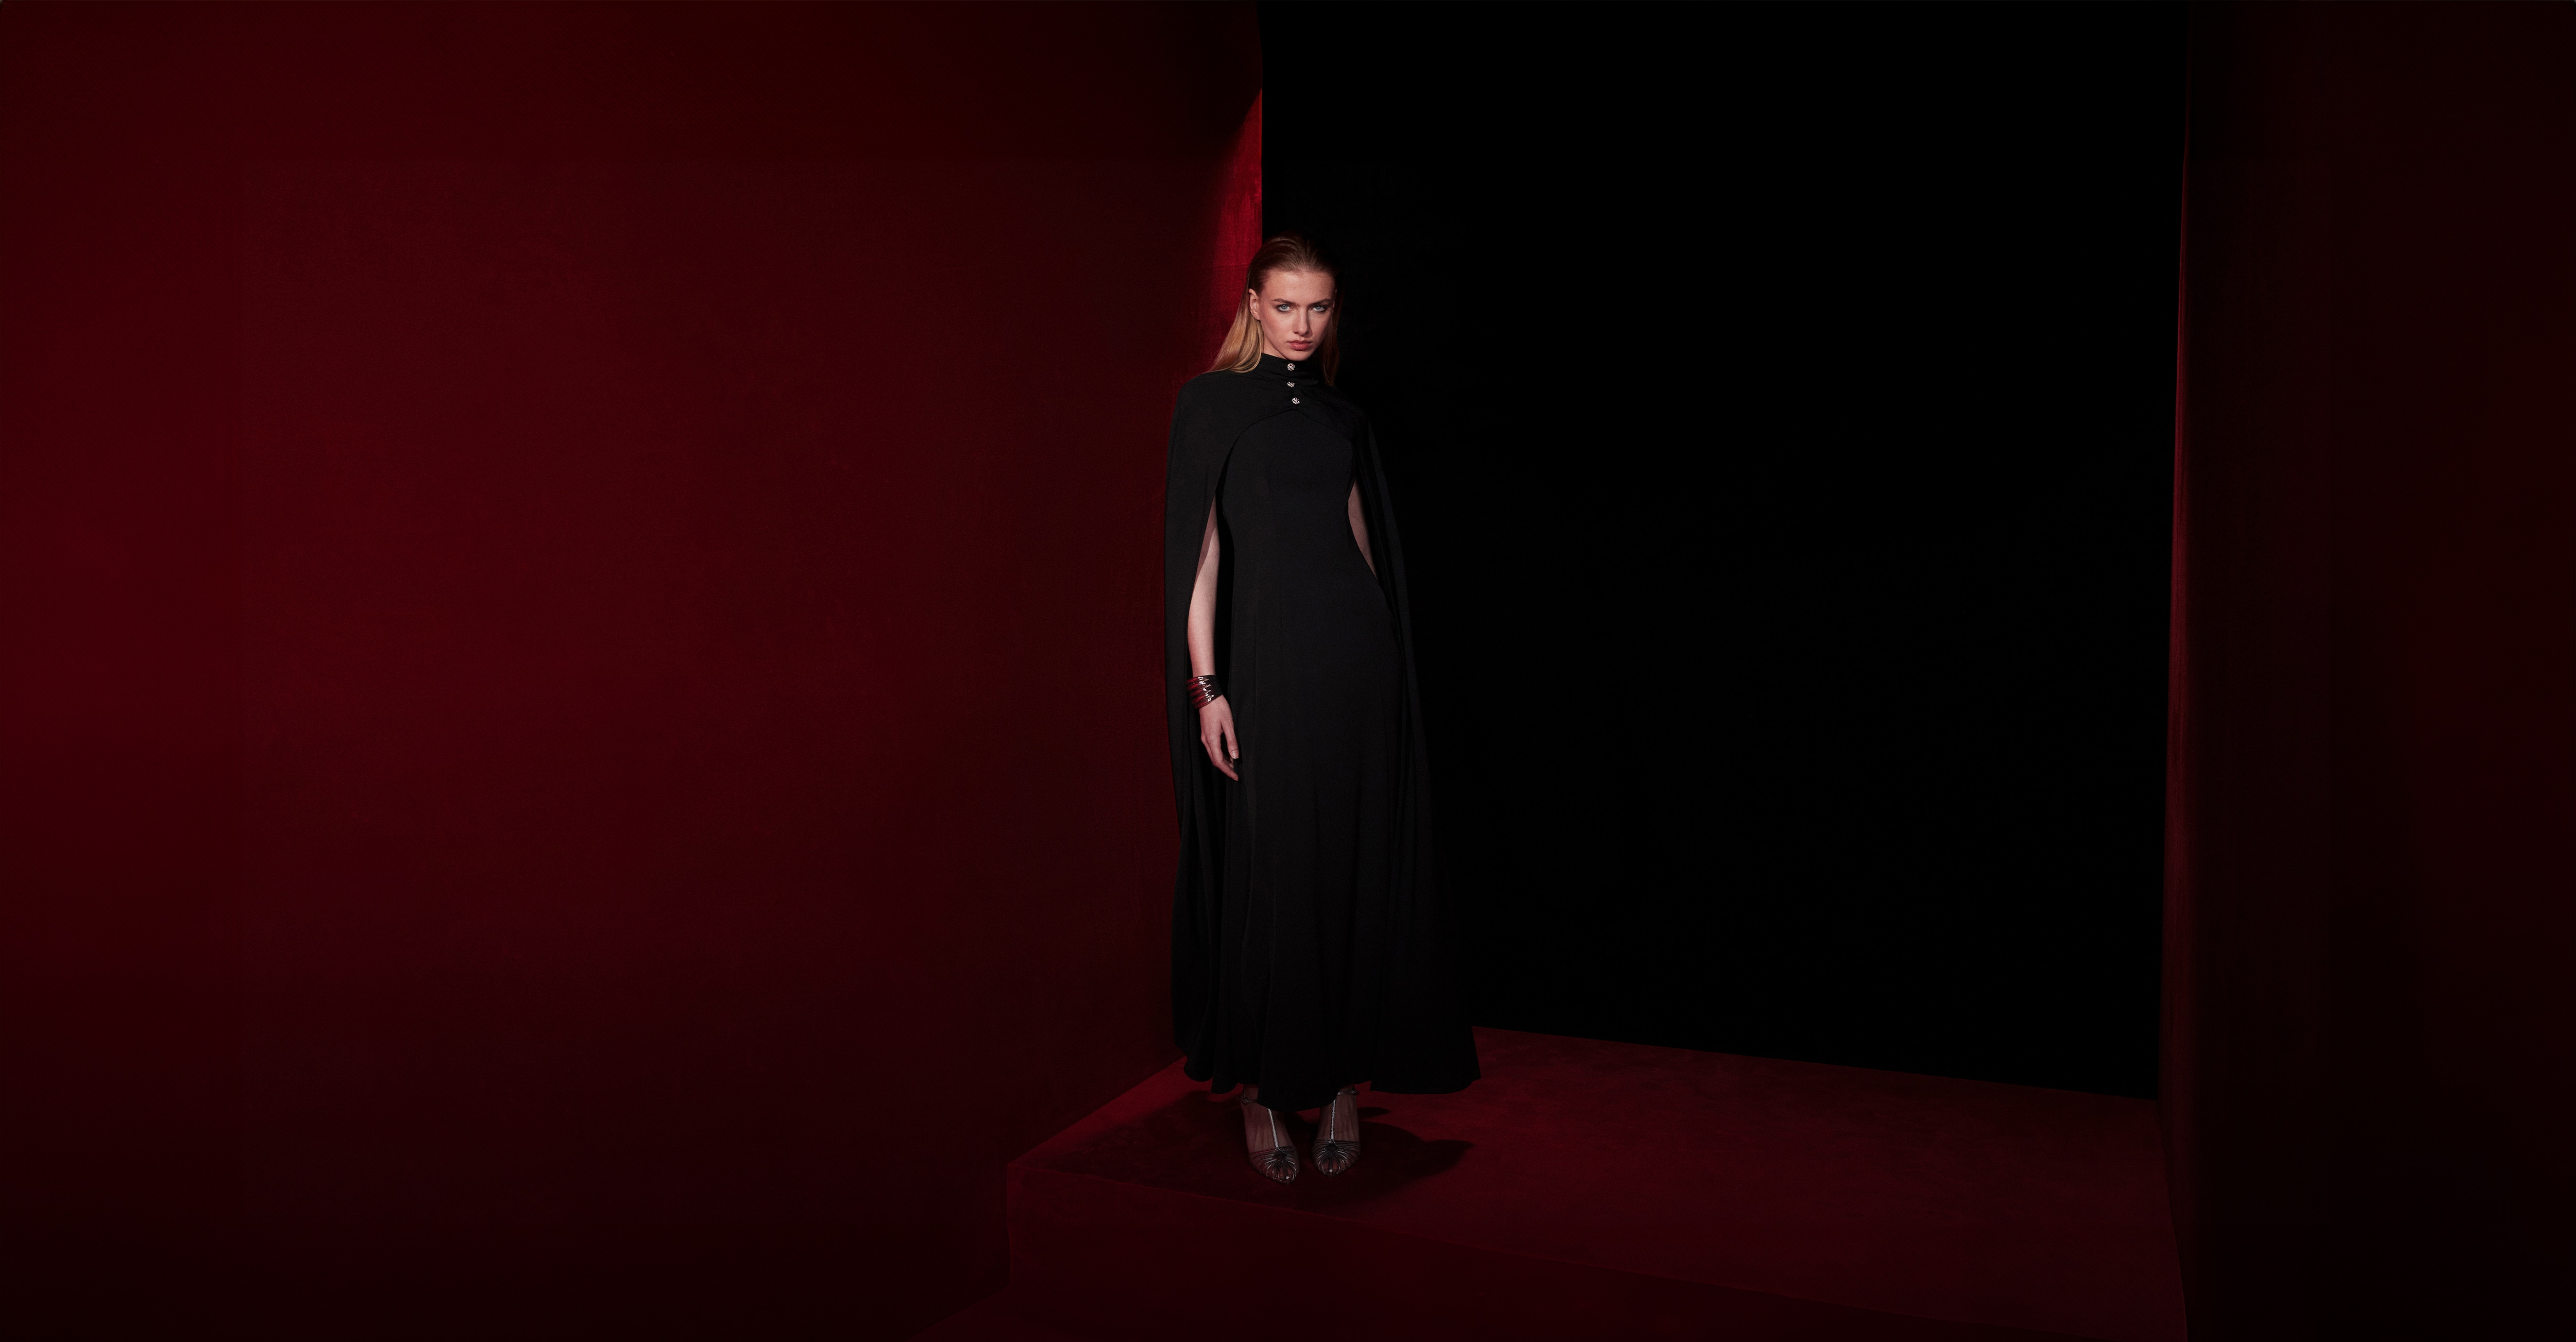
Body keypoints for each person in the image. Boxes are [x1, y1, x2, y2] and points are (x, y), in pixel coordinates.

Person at [1160, 234, 1478, 1185]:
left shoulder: (1344, 415)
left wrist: (1391, 671)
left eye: (1320, 308)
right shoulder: (1209, 403)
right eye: (1287, 305)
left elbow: (1361, 542)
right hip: (1265, 668)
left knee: (1353, 867)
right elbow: (1200, 556)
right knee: (1275, 871)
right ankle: (1265, 1089)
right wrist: (1208, 687)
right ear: (1254, 305)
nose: (1303, 324)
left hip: (1357, 667)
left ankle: (1340, 1082)